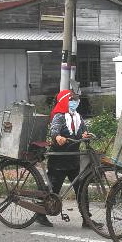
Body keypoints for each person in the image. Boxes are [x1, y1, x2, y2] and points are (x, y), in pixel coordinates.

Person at [37, 89, 101, 229]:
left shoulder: (77, 117)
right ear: (65, 101)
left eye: (76, 100)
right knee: (53, 189)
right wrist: (58, 137)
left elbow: (83, 130)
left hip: (74, 159)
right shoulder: (59, 116)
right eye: (72, 100)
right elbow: (54, 131)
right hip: (59, 161)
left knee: (81, 189)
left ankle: (87, 220)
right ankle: (40, 214)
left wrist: (86, 135)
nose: (75, 102)